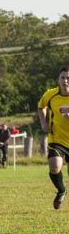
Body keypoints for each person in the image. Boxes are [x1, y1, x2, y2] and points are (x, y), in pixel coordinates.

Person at [37, 66, 69, 210]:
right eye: (63, 78)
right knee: (54, 166)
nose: (65, 81)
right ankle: (61, 190)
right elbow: (40, 107)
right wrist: (44, 123)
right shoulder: (50, 95)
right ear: (58, 79)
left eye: (68, 78)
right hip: (57, 140)